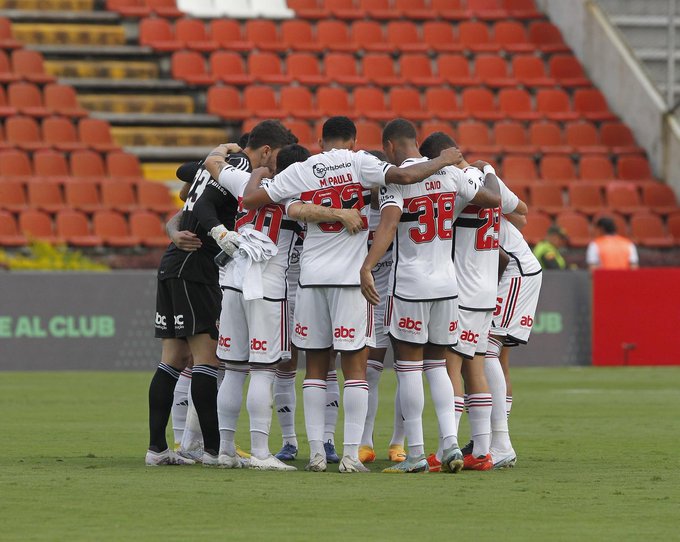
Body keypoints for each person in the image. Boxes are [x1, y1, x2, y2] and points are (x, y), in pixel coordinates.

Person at [241, 116, 465, 473]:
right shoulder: (362, 162)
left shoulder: (306, 167)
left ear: (320, 139)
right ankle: (349, 455)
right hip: (351, 281)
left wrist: (263, 171)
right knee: (355, 370)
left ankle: (316, 454)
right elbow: (405, 177)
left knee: (315, 370)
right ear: (354, 139)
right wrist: (444, 160)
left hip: (312, 279)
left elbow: (252, 199)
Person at [204, 140, 364, 470]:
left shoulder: (245, 182)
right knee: (263, 371)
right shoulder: (298, 194)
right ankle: (261, 452)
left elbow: (212, 165)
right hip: (269, 287)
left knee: (233, 371)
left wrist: (225, 149)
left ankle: (224, 450)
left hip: (233, 282)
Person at [367, 124, 500, 473]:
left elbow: (389, 226)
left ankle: (414, 455)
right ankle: (450, 444)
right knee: (438, 365)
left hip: (410, 284)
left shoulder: (395, 180)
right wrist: (477, 168)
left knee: (409, 368)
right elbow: (490, 198)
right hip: (447, 285)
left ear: (390, 146)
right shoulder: (449, 175)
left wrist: (367, 266)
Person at [145, 142, 244, 466]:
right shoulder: (238, 171)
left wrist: (214, 153)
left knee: (175, 358)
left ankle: (157, 450)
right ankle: (214, 451)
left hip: (175, 265)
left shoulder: (212, 169)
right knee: (206, 358)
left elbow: (185, 177)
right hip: (194, 269)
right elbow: (197, 200)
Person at [486, 214, 543, 468]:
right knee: (498, 356)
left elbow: (502, 256)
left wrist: (488, 290)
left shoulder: (472, 186)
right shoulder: (487, 184)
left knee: (485, 348)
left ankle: (499, 443)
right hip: (513, 271)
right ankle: (495, 440)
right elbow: (520, 213)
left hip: (513, 273)